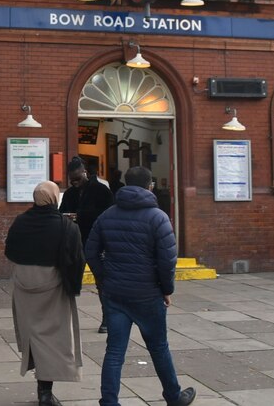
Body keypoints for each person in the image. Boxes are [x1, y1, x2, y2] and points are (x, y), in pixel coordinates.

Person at [84, 166, 196, 406]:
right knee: (158, 348)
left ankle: (109, 402)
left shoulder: (107, 215)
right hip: (147, 294)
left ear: (125, 184)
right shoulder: (158, 217)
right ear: (149, 186)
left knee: (114, 352)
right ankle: (173, 397)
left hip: (115, 294)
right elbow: (167, 260)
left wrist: (104, 279)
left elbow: (91, 252)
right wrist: (167, 289)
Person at [5, 181, 86, 406]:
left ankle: (42, 388)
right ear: (53, 198)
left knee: (32, 336)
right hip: (54, 286)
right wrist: (73, 287)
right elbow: (76, 260)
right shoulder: (65, 226)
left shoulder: (21, 221)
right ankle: (45, 393)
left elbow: (9, 250)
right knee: (54, 338)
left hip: (24, 285)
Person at [59, 155, 114, 331]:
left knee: (102, 282)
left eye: (77, 179)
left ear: (85, 172)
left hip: (97, 241)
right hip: (76, 242)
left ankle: (107, 319)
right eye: (71, 180)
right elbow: (62, 213)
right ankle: (62, 320)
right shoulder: (69, 193)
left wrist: (80, 216)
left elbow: (108, 215)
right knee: (68, 281)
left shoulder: (101, 190)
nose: (74, 183)